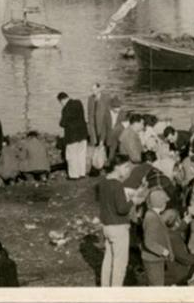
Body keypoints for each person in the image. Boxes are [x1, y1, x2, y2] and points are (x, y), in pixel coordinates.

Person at [97, 155, 142, 286]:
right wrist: (133, 201)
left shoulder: (104, 181)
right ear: (117, 167)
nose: (128, 170)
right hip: (118, 227)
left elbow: (109, 201)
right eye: (126, 167)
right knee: (120, 263)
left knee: (108, 260)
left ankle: (105, 287)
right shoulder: (117, 185)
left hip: (106, 226)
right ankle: (116, 292)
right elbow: (122, 209)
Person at [163, 209, 194, 286]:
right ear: (176, 223)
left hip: (169, 268)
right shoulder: (173, 239)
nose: (181, 219)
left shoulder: (164, 229)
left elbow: (176, 228)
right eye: (179, 218)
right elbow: (185, 259)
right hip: (177, 275)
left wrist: (186, 220)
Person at [140, 189, 172, 286]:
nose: (166, 204)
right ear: (161, 204)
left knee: (156, 284)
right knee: (156, 286)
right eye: (165, 202)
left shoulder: (152, 214)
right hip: (152, 259)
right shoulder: (151, 218)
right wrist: (163, 251)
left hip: (154, 259)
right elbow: (149, 242)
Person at [57, 92, 88, 180]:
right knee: (81, 154)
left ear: (61, 100)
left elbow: (62, 123)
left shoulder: (65, 109)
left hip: (72, 136)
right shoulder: (78, 102)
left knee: (72, 156)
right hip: (82, 134)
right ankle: (82, 173)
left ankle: (74, 175)